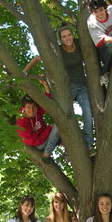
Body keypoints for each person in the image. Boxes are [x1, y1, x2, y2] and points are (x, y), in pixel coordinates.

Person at [24, 23, 95, 157]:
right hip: (69, 87)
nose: (67, 38)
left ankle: (90, 146)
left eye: (69, 35)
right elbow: (38, 58)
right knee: (65, 116)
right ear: (60, 39)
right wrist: (25, 71)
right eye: (64, 37)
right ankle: (68, 147)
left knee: (87, 111)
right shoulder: (58, 50)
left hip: (83, 86)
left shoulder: (79, 44)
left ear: (73, 35)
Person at [16, 80, 61, 161]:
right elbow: (36, 141)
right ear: (24, 109)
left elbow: (46, 101)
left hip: (45, 136)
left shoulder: (37, 111)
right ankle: (47, 153)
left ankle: (66, 148)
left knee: (61, 125)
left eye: (33, 106)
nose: (32, 110)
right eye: (28, 107)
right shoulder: (21, 123)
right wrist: (49, 128)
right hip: (39, 144)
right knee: (57, 126)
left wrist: (46, 86)